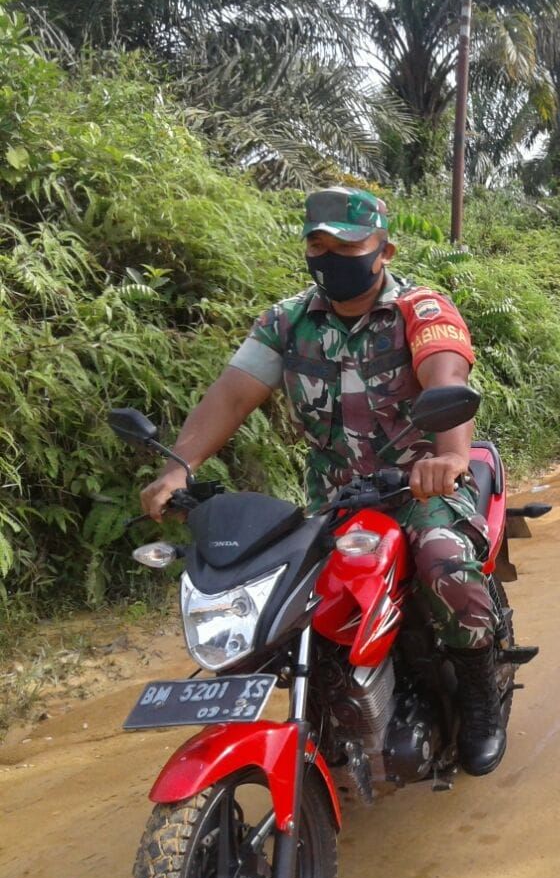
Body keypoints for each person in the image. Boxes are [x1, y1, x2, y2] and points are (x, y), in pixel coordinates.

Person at [138, 186, 508, 777]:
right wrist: (180, 466)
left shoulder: (422, 310)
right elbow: (232, 394)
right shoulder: (286, 322)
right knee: (283, 602)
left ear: (383, 250)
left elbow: (445, 377)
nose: (331, 253)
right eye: (319, 242)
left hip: (421, 488)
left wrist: (448, 456)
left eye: (348, 243)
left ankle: (478, 693)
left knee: (444, 565)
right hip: (334, 500)